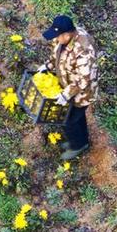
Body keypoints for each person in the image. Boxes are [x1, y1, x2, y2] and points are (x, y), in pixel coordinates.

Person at [39, 15, 98, 160]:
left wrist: (66, 95)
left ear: (68, 34)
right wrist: (47, 66)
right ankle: (82, 139)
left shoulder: (83, 50)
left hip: (82, 93)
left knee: (68, 119)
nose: (56, 39)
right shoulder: (63, 40)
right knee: (77, 117)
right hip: (68, 84)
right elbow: (57, 56)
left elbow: (83, 80)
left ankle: (78, 145)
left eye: (58, 36)